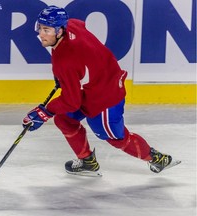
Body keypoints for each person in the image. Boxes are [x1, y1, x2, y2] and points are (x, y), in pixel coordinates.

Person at [22, 5, 178, 176]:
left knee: (116, 138)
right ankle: (88, 162)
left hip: (105, 96)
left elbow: (71, 101)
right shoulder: (71, 25)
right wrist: (69, 78)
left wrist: (45, 111)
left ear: (60, 31)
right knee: (64, 119)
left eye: (46, 30)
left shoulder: (66, 62)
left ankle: (156, 159)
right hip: (93, 86)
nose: (41, 34)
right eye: (40, 28)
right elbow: (81, 26)